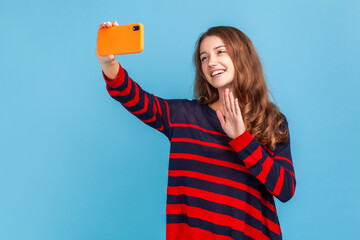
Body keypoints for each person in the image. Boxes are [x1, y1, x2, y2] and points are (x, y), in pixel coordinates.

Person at [96, 21, 296, 240]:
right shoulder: (183, 115)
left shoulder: (271, 121)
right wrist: (108, 63)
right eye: (204, 57)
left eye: (220, 52)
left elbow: (285, 189)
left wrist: (241, 138)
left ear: (242, 57)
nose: (211, 62)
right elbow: (134, 97)